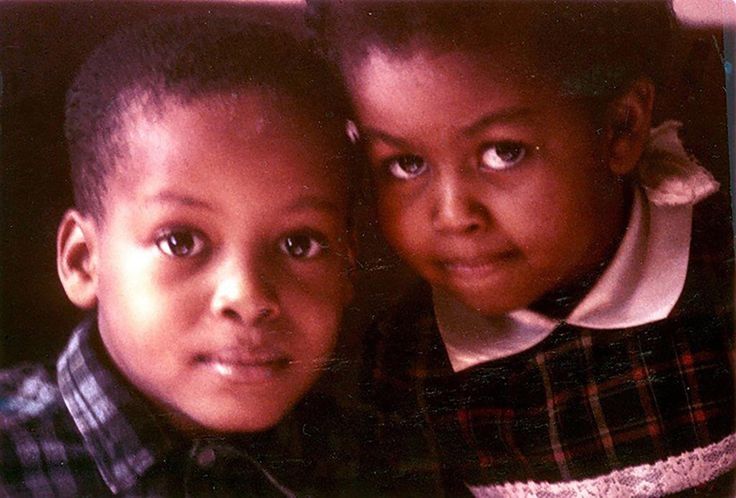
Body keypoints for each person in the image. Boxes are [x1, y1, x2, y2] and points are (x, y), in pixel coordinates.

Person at [310, 1, 736, 495]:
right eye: (405, 164)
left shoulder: (719, 272)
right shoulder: (408, 361)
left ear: (621, 126)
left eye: (502, 153)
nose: (452, 216)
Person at [0, 15, 360, 496]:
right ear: (84, 260)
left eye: (300, 244)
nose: (248, 298)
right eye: (181, 241)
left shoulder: (374, 453)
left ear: (348, 268)